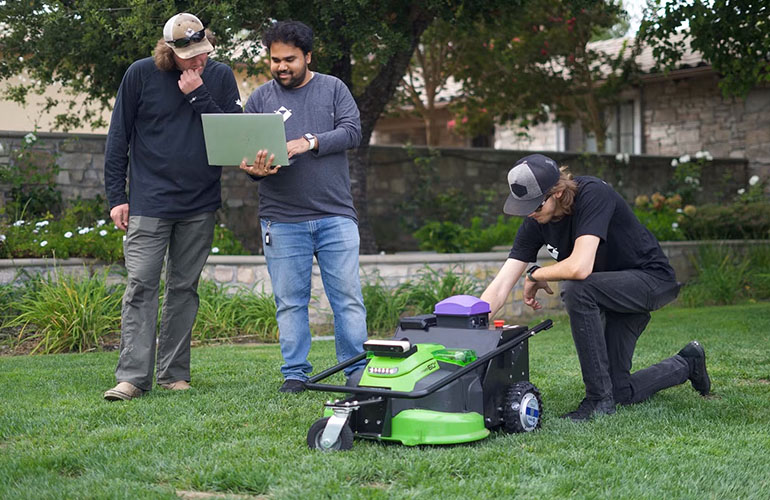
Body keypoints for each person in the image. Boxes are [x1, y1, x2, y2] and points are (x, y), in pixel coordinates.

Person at [481, 154, 711, 421]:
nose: (530, 213)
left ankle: (598, 401)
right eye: (524, 207)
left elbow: (580, 268)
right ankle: (687, 362)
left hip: (650, 279)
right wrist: (469, 324)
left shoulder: (593, 194)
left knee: (577, 288)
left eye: (535, 205)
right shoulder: (536, 221)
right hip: (610, 293)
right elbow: (501, 285)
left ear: (557, 191)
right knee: (620, 391)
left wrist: (535, 274)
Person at [103, 13, 242, 401]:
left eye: (203, 53)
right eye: (190, 56)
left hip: (199, 202)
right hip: (149, 202)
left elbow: (234, 136)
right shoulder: (140, 74)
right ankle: (132, 377)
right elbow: (118, 139)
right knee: (141, 285)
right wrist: (117, 196)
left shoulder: (219, 76)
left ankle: (174, 374)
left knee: (184, 288)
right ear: (170, 50)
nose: (198, 61)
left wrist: (198, 94)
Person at [239, 21, 367, 394]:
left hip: (335, 215)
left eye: (290, 59)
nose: (281, 66)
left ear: (308, 56)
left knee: (347, 299)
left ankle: (354, 371)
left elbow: (352, 131)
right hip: (281, 219)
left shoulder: (333, 88)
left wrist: (308, 142)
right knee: (290, 303)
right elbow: (248, 159)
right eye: (275, 60)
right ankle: (295, 373)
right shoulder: (260, 99)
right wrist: (255, 170)